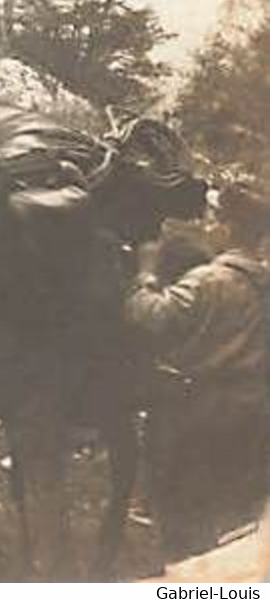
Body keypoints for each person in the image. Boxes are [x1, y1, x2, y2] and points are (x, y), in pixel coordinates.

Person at [124, 200, 269, 562]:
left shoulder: (208, 280)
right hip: (253, 407)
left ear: (227, 228)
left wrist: (146, 274)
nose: (205, 226)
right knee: (237, 510)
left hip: (200, 409)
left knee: (184, 507)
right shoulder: (262, 281)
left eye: (211, 218)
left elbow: (151, 317)